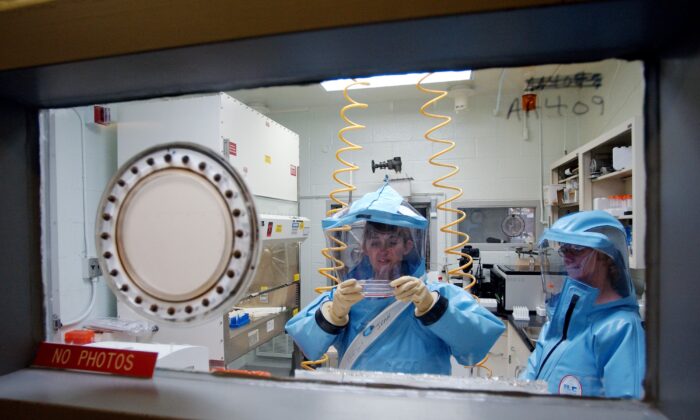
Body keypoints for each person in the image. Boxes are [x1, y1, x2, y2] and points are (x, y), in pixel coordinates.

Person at [285, 184, 505, 375]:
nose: (383, 251)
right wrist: (333, 314)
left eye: (392, 242)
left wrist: (433, 308)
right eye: (375, 243)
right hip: (361, 407)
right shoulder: (347, 296)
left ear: (407, 246)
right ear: (364, 248)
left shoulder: (437, 295)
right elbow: (307, 345)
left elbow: (477, 346)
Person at [521, 210, 645, 398]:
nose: (566, 256)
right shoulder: (561, 319)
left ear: (605, 255)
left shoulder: (621, 329)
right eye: (564, 248)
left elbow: (628, 409)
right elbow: (527, 384)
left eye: (577, 248)